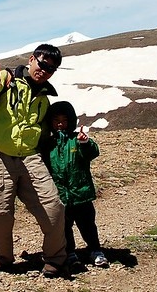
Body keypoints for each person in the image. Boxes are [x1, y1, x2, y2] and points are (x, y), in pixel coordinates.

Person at [0, 44, 67, 278]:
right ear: (31, 59)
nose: (45, 70)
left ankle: (56, 258)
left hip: (29, 155)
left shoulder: (45, 97)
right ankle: (3, 257)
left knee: (53, 207)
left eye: (51, 69)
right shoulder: (7, 78)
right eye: (43, 64)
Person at [43, 101, 109, 268]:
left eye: (64, 120)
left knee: (87, 224)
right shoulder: (47, 144)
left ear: (71, 121)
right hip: (60, 194)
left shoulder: (76, 140)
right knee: (64, 227)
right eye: (56, 120)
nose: (60, 124)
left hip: (81, 193)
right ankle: (70, 252)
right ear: (50, 122)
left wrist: (84, 143)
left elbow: (92, 152)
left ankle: (95, 250)